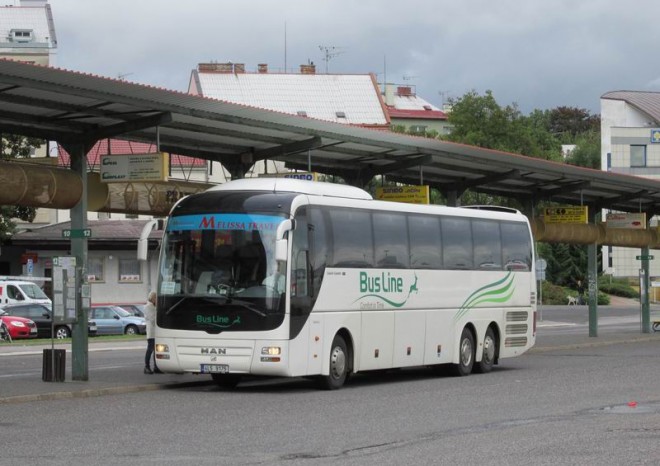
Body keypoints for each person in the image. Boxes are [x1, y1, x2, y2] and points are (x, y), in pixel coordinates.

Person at [143, 291, 157, 374]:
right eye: (156, 298)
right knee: (150, 349)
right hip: (151, 333)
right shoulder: (148, 307)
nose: (157, 300)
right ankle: (146, 367)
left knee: (156, 350)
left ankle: (156, 366)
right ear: (152, 298)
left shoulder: (153, 306)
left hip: (156, 333)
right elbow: (153, 319)